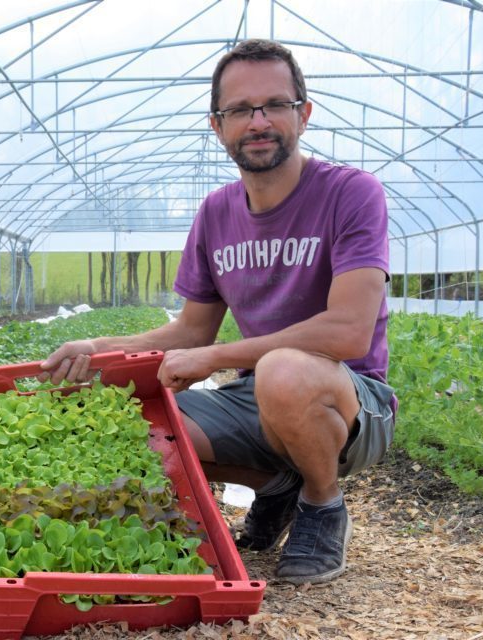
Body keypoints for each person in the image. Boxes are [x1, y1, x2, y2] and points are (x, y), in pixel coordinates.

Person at [39, 39, 396, 585]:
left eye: (275, 105)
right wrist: (97, 351)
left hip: (351, 399)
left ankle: (323, 505)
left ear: (303, 113)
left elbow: (349, 332)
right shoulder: (216, 213)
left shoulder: (350, 193)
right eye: (239, 110)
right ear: (216, 124)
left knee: (284, 369)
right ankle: (276, 486)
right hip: (259, 395)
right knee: (141, 422)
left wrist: (216, 358)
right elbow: (190, 329)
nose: (258, 121)